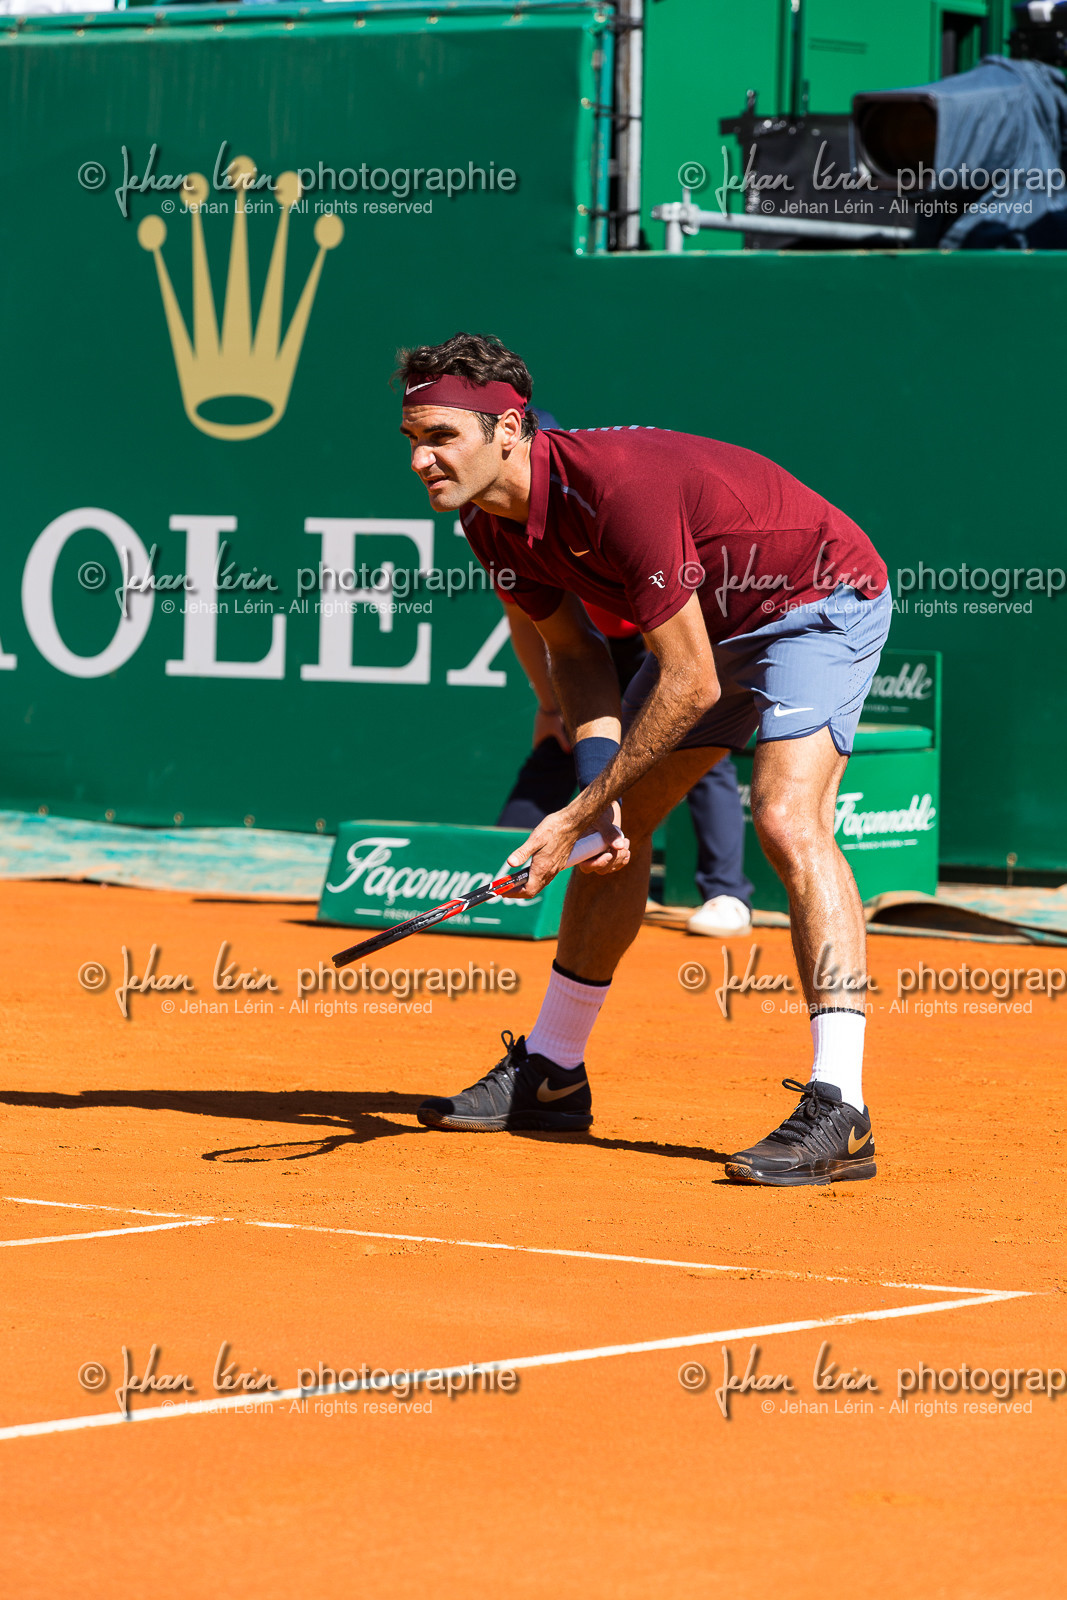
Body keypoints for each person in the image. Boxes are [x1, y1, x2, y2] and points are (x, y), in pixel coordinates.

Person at [397, 332, 889, 1187]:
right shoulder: (491, 523)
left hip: (814, 597)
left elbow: (690, 682)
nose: (421, 460)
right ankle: (551, 1074)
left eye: (441, 437)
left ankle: (840, 1103)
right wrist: (596, 794)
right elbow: (575, 654)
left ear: (507, 430)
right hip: (710, 628)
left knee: (784, 815)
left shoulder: (615, 488)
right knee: (608, 826)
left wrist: (578, 811)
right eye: (412, 440)